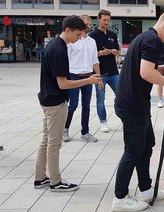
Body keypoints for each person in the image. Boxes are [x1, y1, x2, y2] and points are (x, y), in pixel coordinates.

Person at [112, 10, 164, 212]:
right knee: (133, 151)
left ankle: (145, 189)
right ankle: (119, 197)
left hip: (136, 103)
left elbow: (143, 69)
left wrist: (158, 70)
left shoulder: (145, 37)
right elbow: (145, 73)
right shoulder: (153, 41)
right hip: (132, 105)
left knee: (146, 146)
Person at [35, 15, 101, 192]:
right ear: (67, 30)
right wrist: (88, 80)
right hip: (55, 102)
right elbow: (63, 83)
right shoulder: (59, 50)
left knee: (46, 140)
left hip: (48, 99)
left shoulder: (56, 45)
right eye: (77, 34)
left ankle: (40, 177)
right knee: (54, 143)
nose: (79, 38)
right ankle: (55, 181)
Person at [63, 15, 102, 143]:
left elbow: (95, 61)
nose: (89, 26)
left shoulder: (92, 41)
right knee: (72, 105)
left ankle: (85, 132)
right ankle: (65, 129)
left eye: (90, 24)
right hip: (74, 76)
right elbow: (66, 60)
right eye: (86, 24)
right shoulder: (72, 41)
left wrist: (99, 78)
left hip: (88, 77)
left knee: (86, 106)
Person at [89, 9, 121, 133]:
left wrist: (114, 52)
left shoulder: (113, 35)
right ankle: (103, 122)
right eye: (104, 20)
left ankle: (124, 119)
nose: (107, 22)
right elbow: (90, 55)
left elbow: (118, 52)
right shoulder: (92, 36)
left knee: (121, 96)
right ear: (98, 19)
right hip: (100, 73)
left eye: (108, 20)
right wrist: (102, 53)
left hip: (113, 72)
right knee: (100, 99)